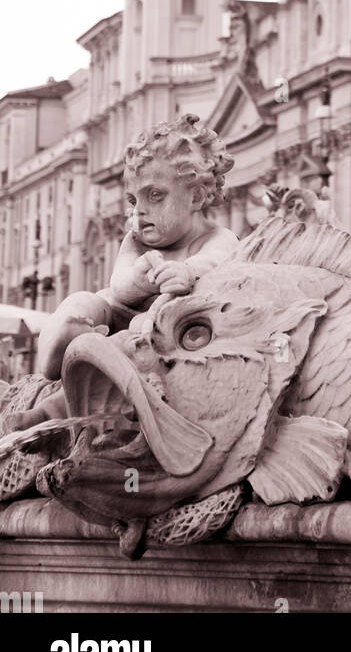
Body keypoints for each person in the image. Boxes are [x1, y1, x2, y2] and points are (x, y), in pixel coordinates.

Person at [11, 114, 237, 430]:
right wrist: (139, 280)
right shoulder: (134, 241)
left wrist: (186, 272)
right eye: (133, 199)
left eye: (155, 195)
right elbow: (118, 286)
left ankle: (49, 412)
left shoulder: (217, 237)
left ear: (196, 197)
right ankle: (59, 343)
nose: (139, 210)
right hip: (118, 311)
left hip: (161, 327)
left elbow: (216, 264)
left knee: (133, 341)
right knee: (83, 301)